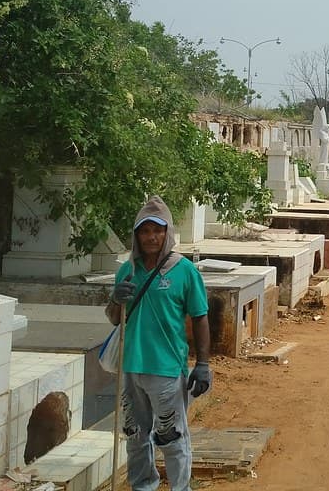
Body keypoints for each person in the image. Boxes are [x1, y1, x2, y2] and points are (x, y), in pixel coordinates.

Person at [106, 195, 211, 491]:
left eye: (157, 230)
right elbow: (115, 319)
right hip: (130, 366)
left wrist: (202, 365)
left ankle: (181, 487)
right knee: (135, 435)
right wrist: (116, 298)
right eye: (145, 231)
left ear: (167, 233)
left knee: (171, 436)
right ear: (137, 234)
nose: (151, 237)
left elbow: (200, 317)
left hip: (165, 367)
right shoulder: (127, 270)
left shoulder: (184, 270)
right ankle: (143, 486)